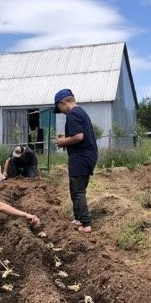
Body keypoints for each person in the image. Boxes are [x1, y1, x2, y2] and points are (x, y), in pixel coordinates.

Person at [54, 89, 98, 233]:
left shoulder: (72, 114)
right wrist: (65, 137)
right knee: (76, 189)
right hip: (87, 156)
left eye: (59, 108)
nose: (60, 111)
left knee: (78, 191)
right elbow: (78, 134)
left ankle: (86, 224)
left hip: (81, 157)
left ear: (63, 102)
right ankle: (79, 218)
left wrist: (62, 142)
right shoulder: (81, 112)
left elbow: (79, 137)